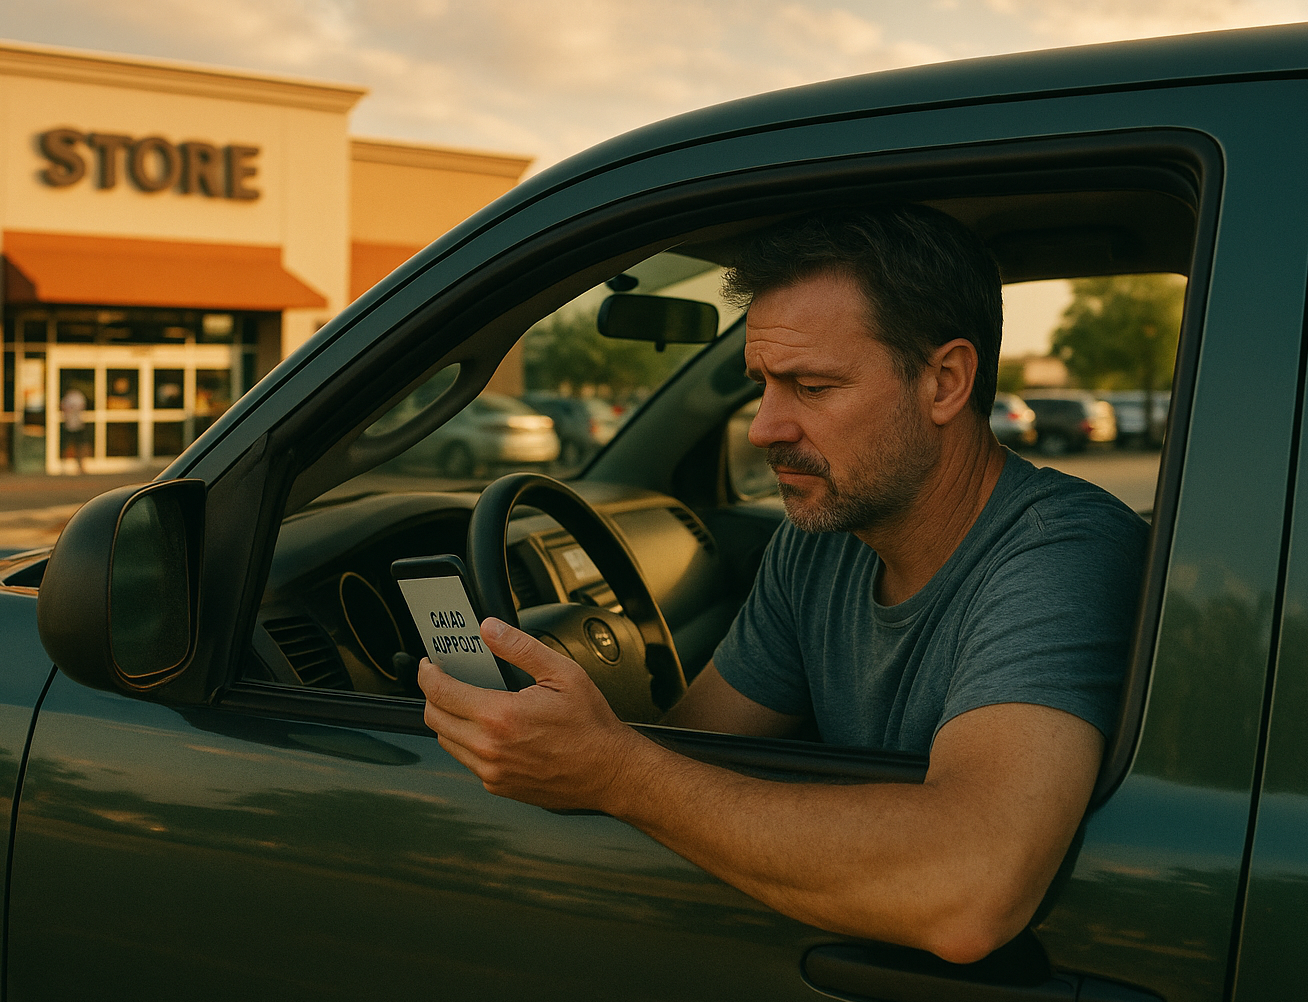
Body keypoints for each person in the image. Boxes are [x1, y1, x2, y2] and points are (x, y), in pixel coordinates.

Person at [419, 205, 1147, 963]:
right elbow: (699, 752)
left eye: (811, 385)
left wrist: (615, 769)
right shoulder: (822, 542)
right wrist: (589, 730)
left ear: (945, 382)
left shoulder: (1062, 550)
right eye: (762, 384)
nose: (764, 427)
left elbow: (969, 886)